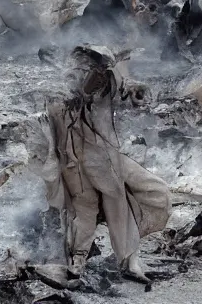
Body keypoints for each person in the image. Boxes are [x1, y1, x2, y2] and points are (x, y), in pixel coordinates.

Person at [29, 45, 170, 283]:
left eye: (98, 67)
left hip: (106, 159)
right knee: (84, 209)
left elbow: (123, 92)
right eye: (88, 66)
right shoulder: (58, 91)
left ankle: (127, 261)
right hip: (74, 163)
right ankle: (77, 264)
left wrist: (135, 90)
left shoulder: (107, 80)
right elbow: (57, 116)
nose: (92, 72)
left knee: (145, 195)